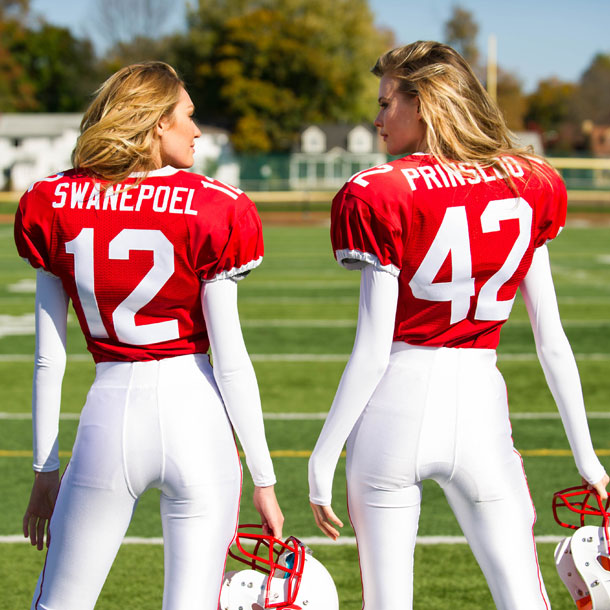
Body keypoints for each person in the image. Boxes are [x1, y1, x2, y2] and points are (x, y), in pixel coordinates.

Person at [308, 40, 609, 610]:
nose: (376, 119)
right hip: (480, 408)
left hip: (396, 401)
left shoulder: (380, 191)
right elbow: (552, 340)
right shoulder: (530, 182)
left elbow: (371, 351)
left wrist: (323, 456)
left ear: (424, 104)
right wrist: (587, 455)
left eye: (386, 102)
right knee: (524, 599)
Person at [15, 61, 283, 610]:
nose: (198, 129)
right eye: (188, 114)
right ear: (158, 122)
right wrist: (264, 474)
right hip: (196, 411)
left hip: (109, 413)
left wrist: (45, 469)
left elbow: (49, 358)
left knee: (60, 603)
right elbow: (231, 360)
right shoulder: (216, 205)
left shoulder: (54, 201)